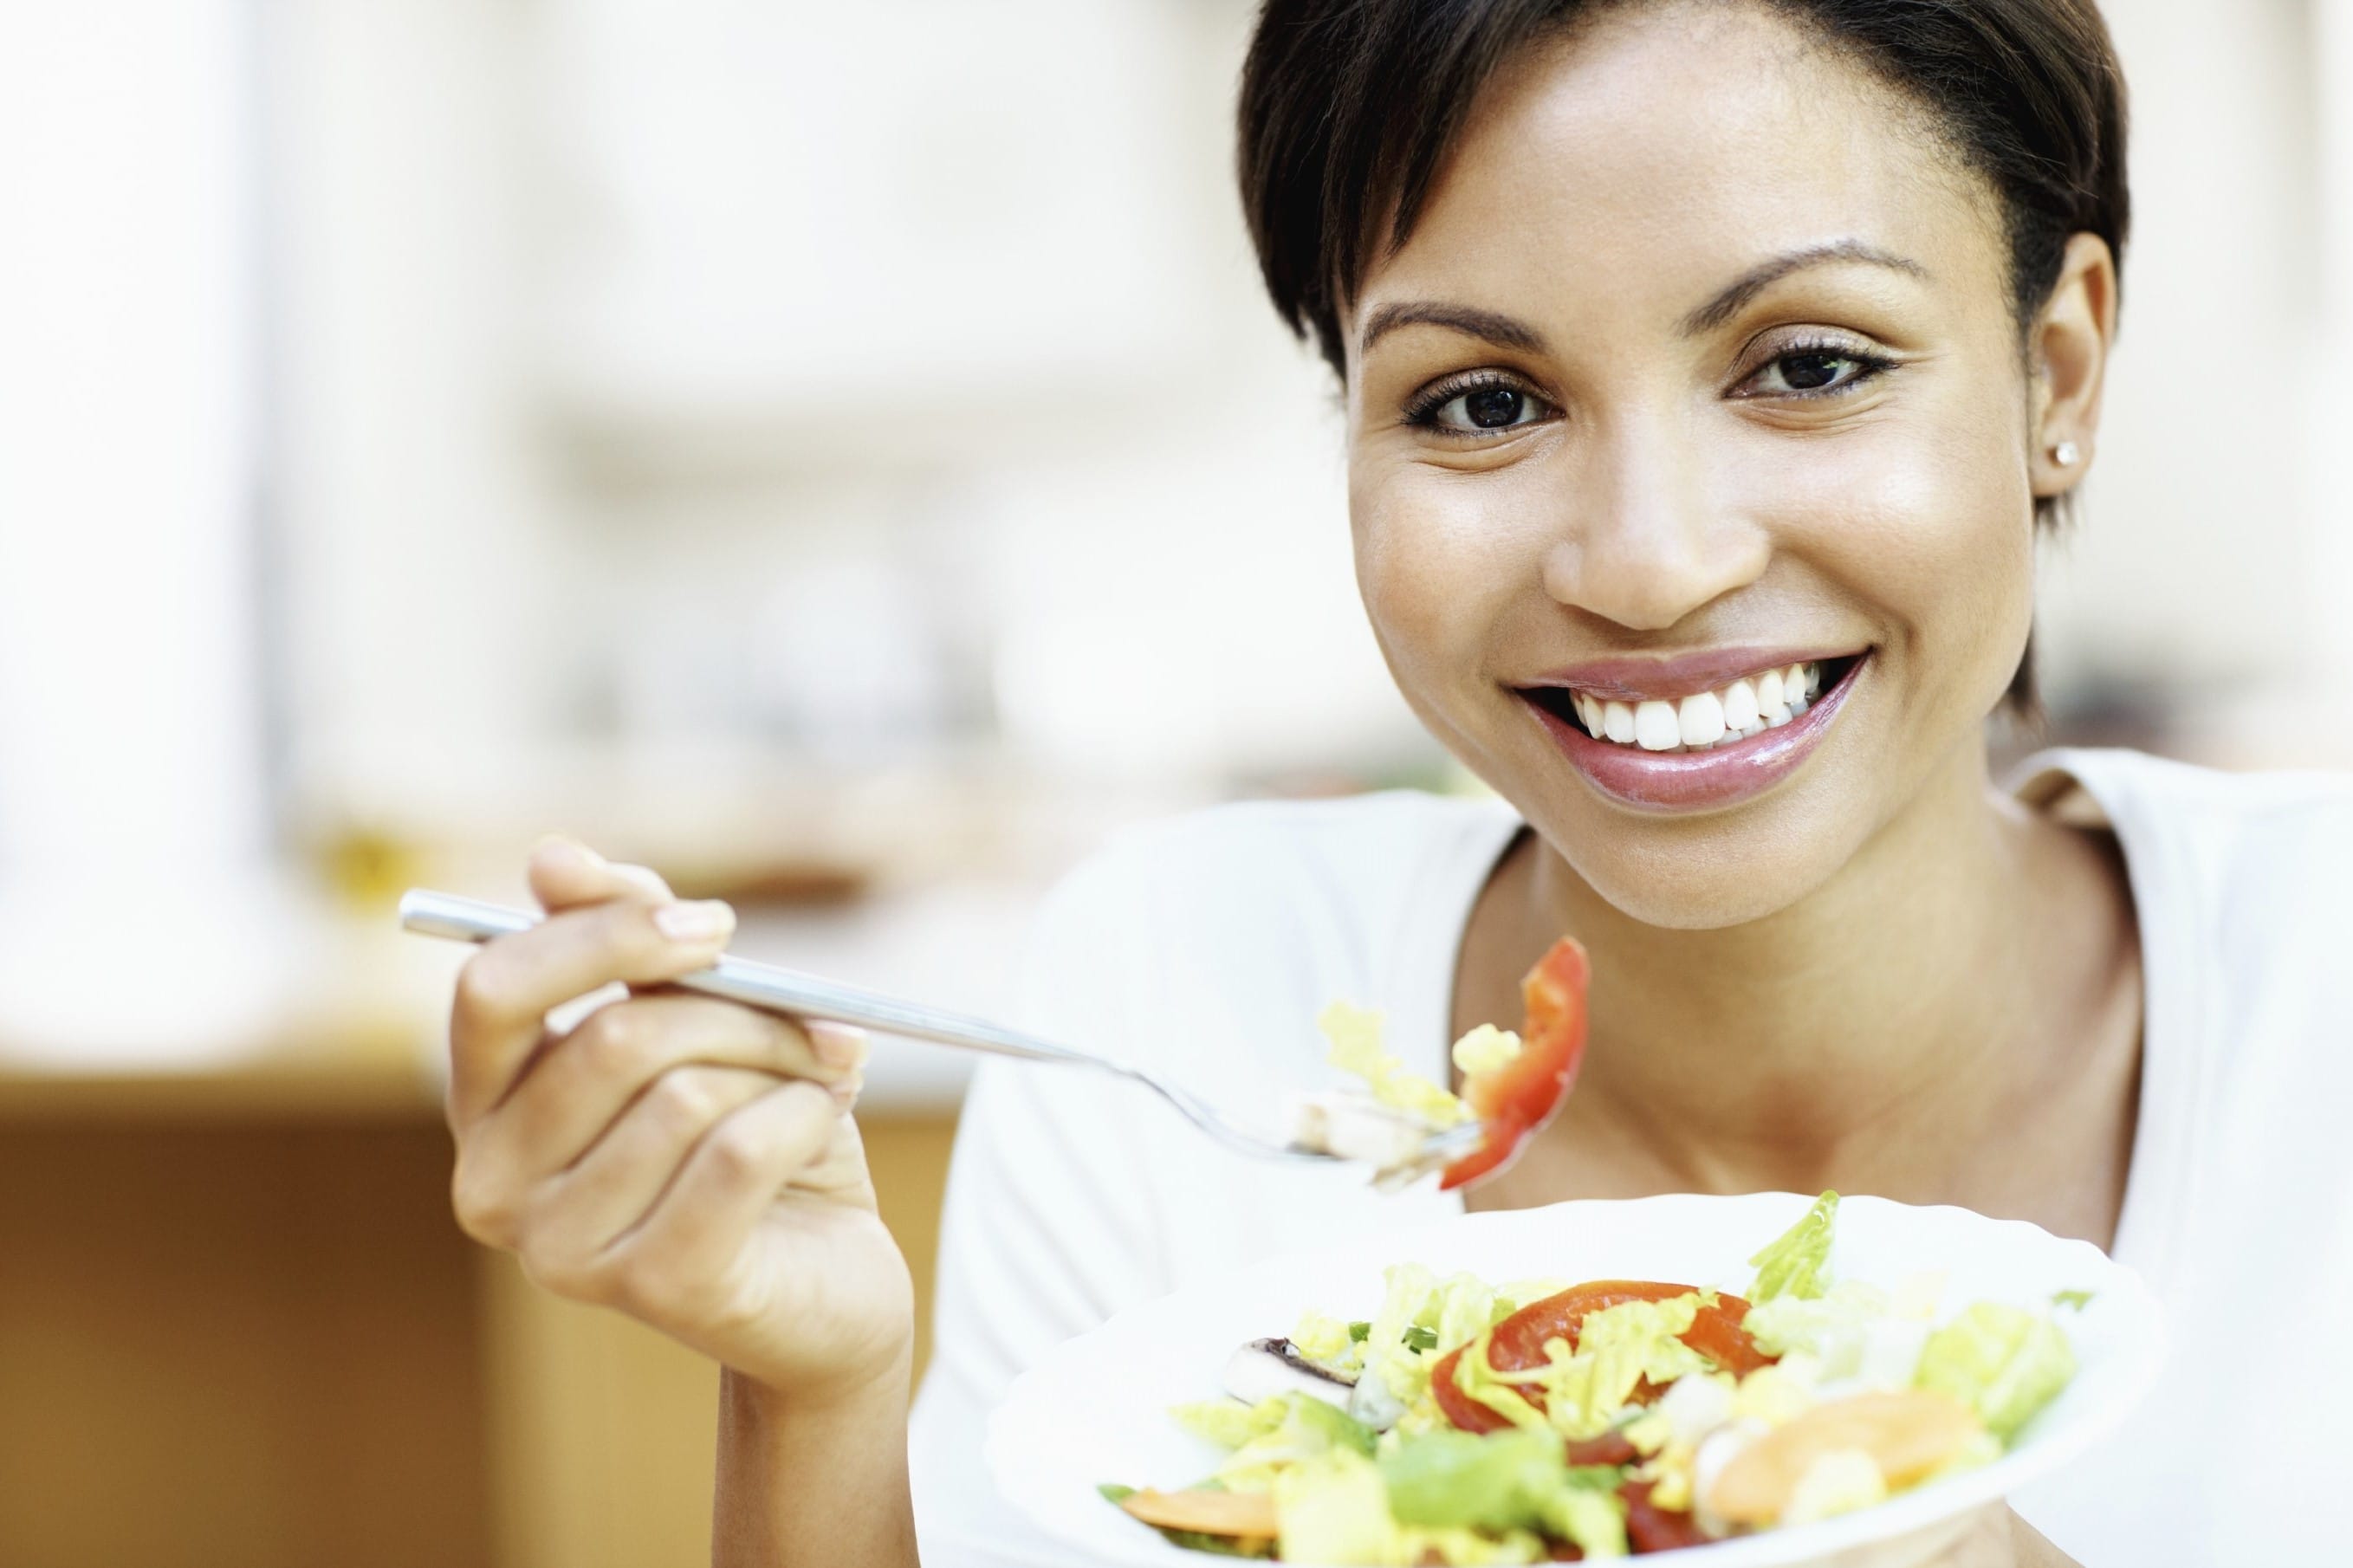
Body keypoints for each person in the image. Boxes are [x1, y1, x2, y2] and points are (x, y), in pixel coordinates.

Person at [437, 2, 2353, 1564]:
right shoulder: (1169, 994)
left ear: (2055, 368)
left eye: (1808, 363)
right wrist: (817, 1392)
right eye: (1481, 403)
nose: (1647, 559)